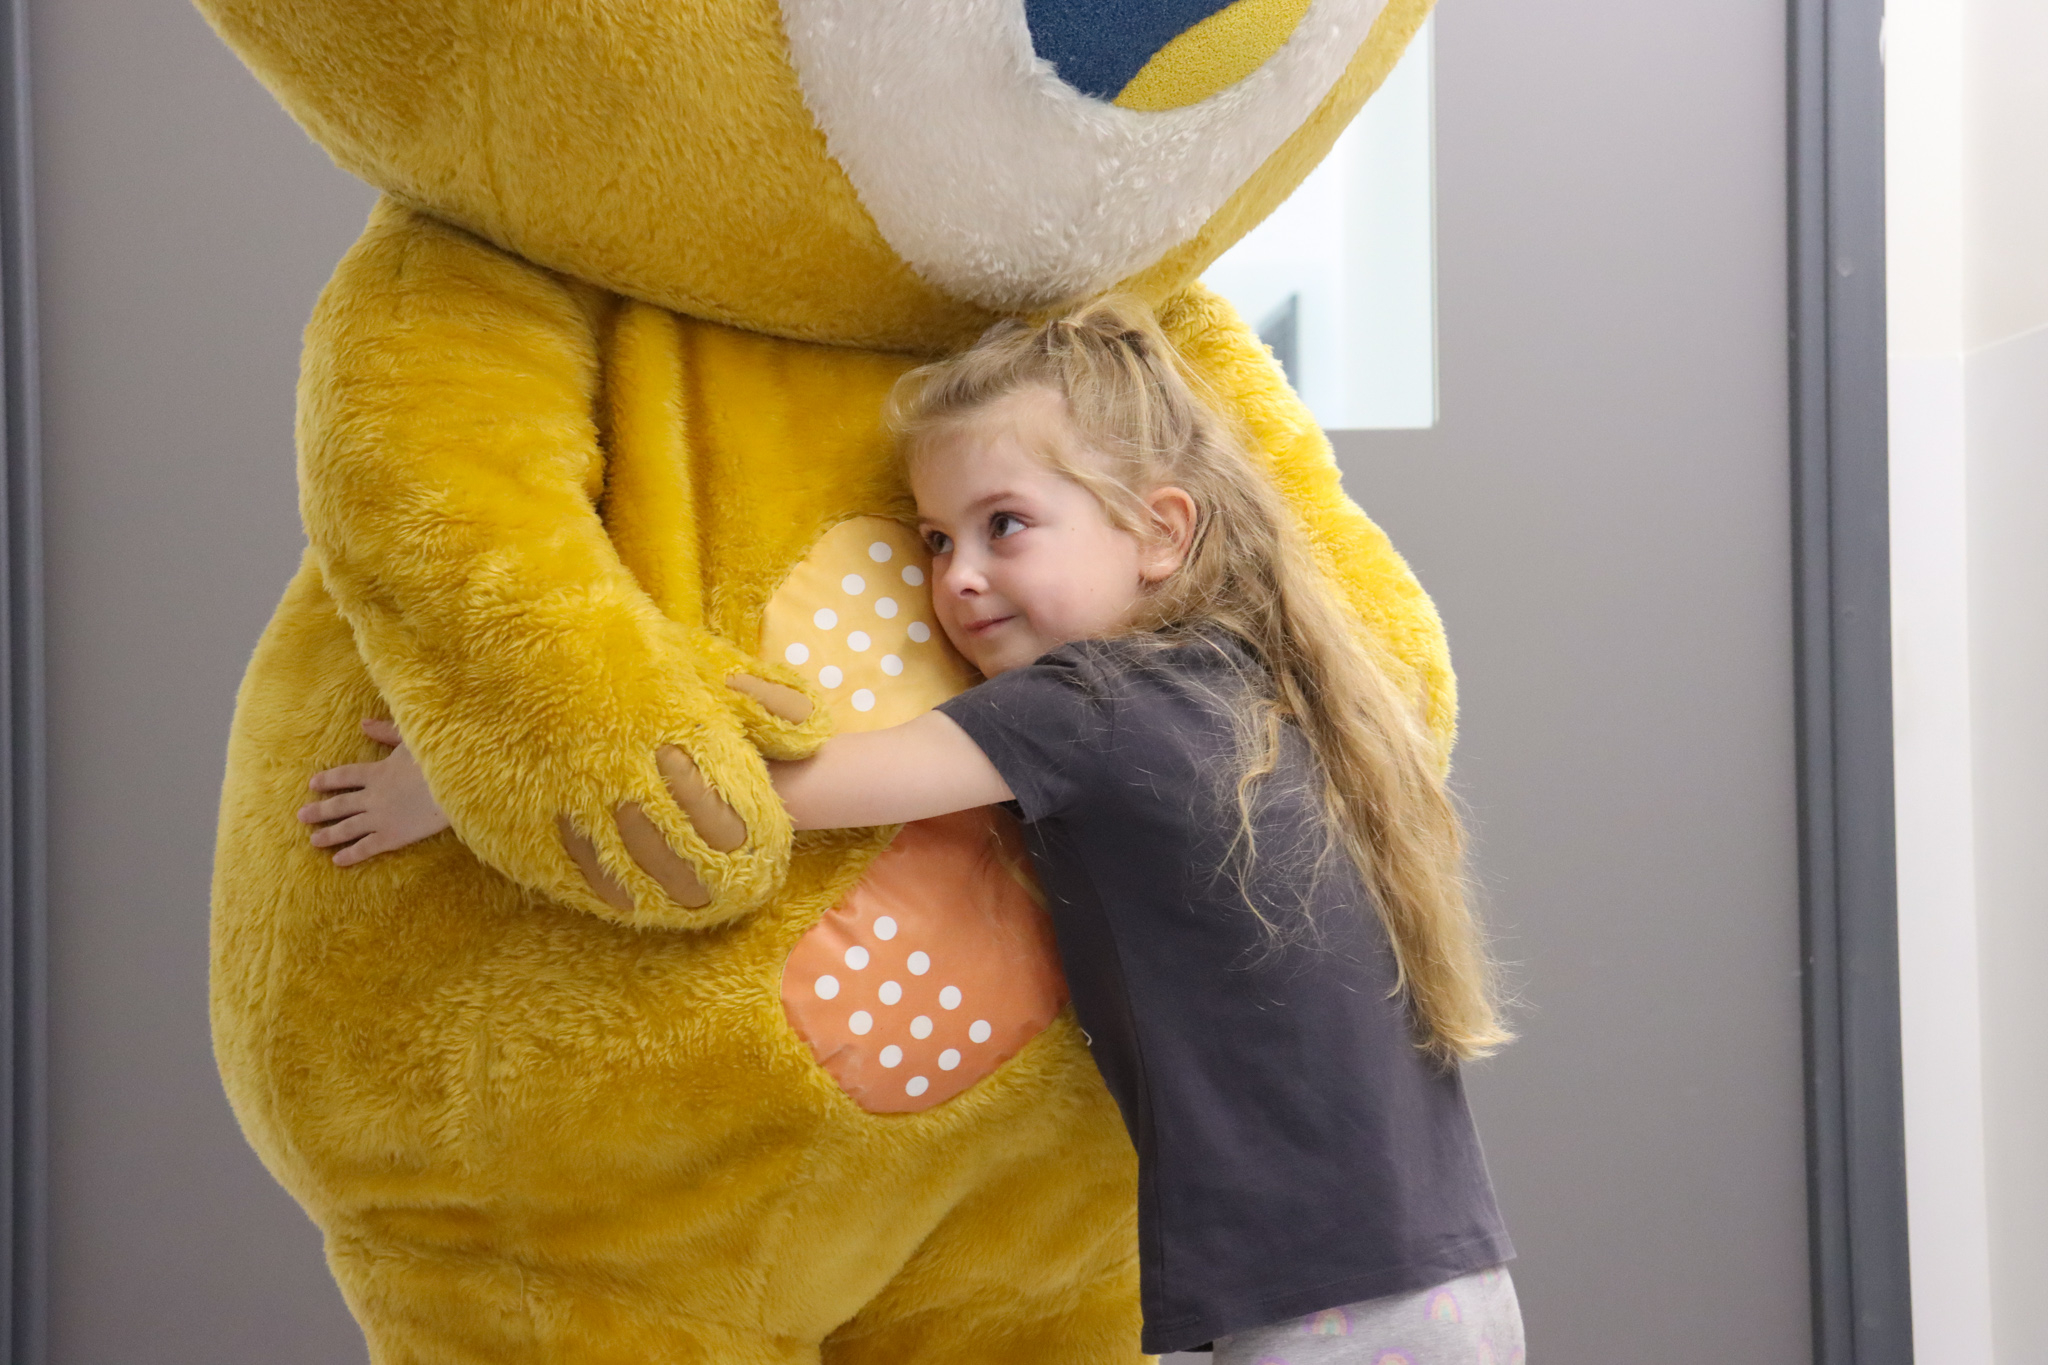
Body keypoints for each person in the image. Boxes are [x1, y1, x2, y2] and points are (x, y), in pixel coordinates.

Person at [297, 298, 1525, 1365]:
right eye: (936, 540)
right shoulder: (1255, 683)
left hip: (1328, 1313)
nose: (958, 579)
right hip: (1442, 1279)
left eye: (1006, 525)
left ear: (1160, 530)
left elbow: (771, 790)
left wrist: (475, 780)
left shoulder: (1088, 704)